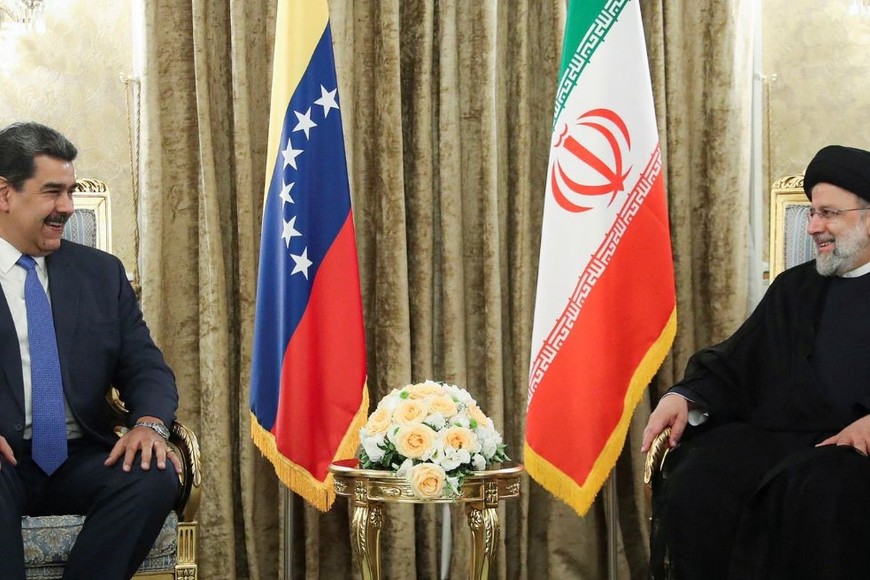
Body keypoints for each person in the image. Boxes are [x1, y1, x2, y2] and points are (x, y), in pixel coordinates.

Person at [642, 144, 870, 580]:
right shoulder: (794, 289)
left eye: (828, 214)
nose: (814, 227)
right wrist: (685, 397)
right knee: (701, 476)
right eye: (812, 213)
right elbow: (738, 364)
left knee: (822, 490)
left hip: (851, 455)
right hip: (781, 436)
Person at [0, 121, 181, 580]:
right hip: (3, 458)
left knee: (153, 475)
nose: (67, 207)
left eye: (71, 192)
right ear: (5, 194)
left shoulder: (100, 273)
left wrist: (149, 425)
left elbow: (145, 367)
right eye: (52, 192)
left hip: (79, 455)